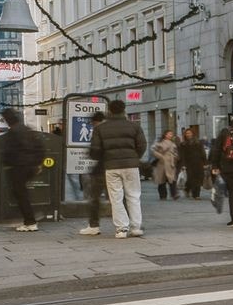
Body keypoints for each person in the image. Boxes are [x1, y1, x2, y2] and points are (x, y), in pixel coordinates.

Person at [89, 98, 146, 239]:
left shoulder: (100, 128)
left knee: (116, 198)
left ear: (109, 111)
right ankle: (136, 227)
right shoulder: (134, 126)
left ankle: (121, 228)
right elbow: (142, 145)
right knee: (134, 196)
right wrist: (134, 157)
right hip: (131, 166)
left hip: (111, 167)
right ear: (124, 110)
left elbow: (95, 150)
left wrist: (104, 158)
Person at [0, 107, 44, 232]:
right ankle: (30, 216)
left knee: (19, 193)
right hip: (30, 167)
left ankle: (30, 220)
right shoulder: (27, 129)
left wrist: (6, 163)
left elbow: (8, 151)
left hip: (18, 167)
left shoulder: (12, 132)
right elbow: (40, 147)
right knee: (21, 193)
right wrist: (38, 163)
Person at [77, 111, 109, 236]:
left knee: (95, 198)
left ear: (95, 122)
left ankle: (94, 225)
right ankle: (126, 225)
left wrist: (90, 153)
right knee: (119, 198)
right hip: (116, 167)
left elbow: (94, 152)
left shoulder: (98, 130)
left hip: (101, 169)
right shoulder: (115, 128)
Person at [177, 127, 206, 200]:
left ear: (193, 134)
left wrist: (205, 162)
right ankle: (190, 190)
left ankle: (197, 195)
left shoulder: (198, 142)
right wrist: (183, 165)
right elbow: (182, 155)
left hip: (199, 163)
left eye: (189, 133)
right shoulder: (183, 144)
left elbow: (202, 152)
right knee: (191, 178)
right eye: (186, 133)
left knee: (198, 178)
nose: (188, 134)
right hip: (188, 164)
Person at [151, 130, 180, 200]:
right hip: (161, 164)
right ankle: (163, 195)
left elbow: (175, 152)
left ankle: (174, 194)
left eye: (171, 134)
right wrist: (160, 156)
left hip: (170, 164)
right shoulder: (159, 142)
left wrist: (175, 157)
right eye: (169, 134)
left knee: (172, 179)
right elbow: (153, 150)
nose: (171, 135)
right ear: (165, 135)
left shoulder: (173, 143)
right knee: (161, 180)